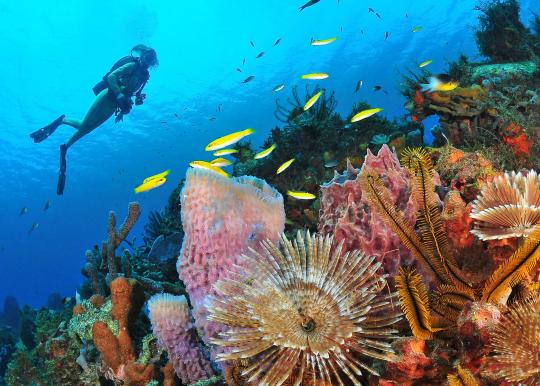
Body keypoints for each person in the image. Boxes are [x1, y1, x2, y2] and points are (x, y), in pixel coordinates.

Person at [30, 44, 158, 195]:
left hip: (114, 106)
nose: (147, 61)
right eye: (146, 57)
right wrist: (119, 93)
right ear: (141, 55)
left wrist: (128, 107)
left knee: (88, 129)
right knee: (84, 125)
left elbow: (132, 94)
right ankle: (62, 121)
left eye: (150, 59)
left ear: (152, 62)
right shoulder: (131, 65)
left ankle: (65, 146)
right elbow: (111, 77)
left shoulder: (144, 78)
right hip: (107, 96)